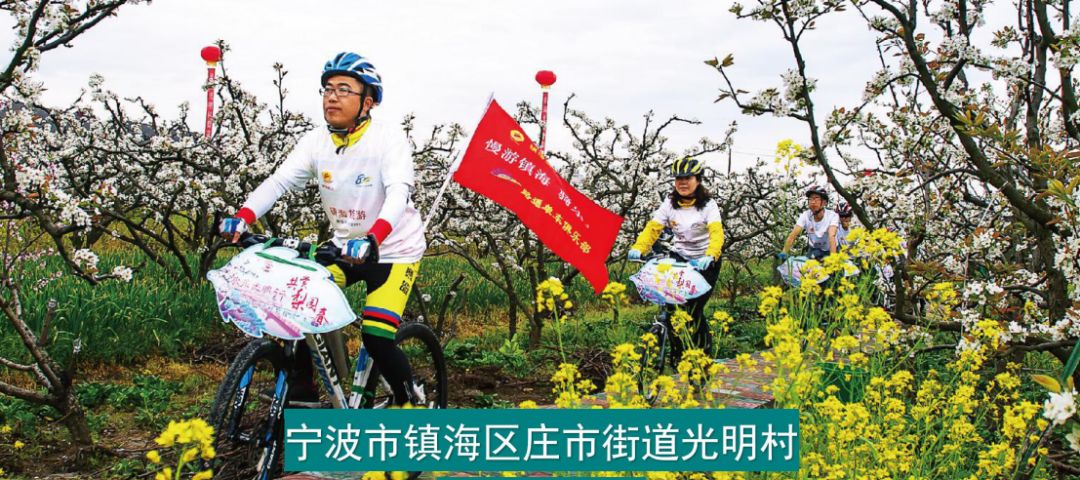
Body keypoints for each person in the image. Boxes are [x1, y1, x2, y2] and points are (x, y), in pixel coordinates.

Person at [221, 52, 425, 406]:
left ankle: (412, 403)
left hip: (393, 253)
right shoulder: (316, 142)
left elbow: (398, 193)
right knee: (295, 306)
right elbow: (279, 182)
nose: (332, 97)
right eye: (328, 89)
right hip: (344, 248)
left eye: (344, 89)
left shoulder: (387, 139)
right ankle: (304, 388)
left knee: (377, 337)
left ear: (368, 102)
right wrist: (243, 217)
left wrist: (373, 238)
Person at [627, 157, 724, 358]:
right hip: (680, 257)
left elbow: (716, 233)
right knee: (672, 308)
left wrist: (711, 255)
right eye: (679, 178)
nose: (682, 182)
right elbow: (653, 228)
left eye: (688, 178)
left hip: (705, 260)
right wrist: (639, 247)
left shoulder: (708, 205)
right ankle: (678, 357)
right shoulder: (670, 204)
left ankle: (703, 357)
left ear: (698, 180)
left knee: (693, 309)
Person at [780, 185, 839, 261]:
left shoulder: (832, 216)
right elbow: (793, 235)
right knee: (808, 267)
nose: (813, 202)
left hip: (831, 249)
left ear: (824, 202)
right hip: (814, 249)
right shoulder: (805, 215)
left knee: (834, 267)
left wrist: (833, 259)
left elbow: (832, 236)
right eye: (810, 199)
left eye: (816, 199)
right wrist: (784, 252)